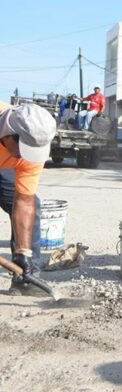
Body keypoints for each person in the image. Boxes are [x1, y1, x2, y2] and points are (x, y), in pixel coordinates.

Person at [0, 102, 57, 294]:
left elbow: (24, 200)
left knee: (33, 205)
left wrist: (22, 251)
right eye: (23, 149)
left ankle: (25, 277)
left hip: (3, 166)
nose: (26, 156)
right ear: (8, 135)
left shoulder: (32, 145)